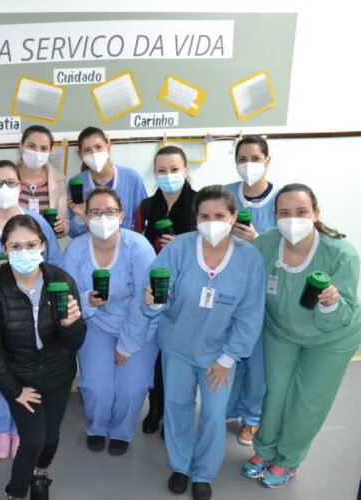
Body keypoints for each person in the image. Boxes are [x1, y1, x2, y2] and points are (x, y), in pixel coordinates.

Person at [141, 185, 266, 500]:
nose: (212, 222)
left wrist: (228, 359)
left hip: (219, 353)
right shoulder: (179, 249)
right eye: (204, 216)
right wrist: (152, 303)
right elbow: (154, 293)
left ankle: (203, 473)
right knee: (177, 406)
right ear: (195, 218)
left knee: (212, 414)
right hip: (178, 346)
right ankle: (181, 466)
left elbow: (251, 314)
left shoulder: (249, 259)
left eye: (219, 216)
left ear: (233, 217)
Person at [241, 184, 360, 489]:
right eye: (284, 213)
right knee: (276, 391)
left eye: (301, 212)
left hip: (332, 337)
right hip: (282, 330)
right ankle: (265, 450)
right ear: (274, 216)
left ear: (315, 214)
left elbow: (343, 314)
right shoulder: (266, 244)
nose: (292, 219)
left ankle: (288, 459)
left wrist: (330, 303)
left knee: (307, 400)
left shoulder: (341, 253)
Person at [0, 215, 86, 500]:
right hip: (20, 377)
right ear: (5, 248)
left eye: (31, 245)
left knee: (51, 437)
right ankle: (15, 491)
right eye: (15, 246)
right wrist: (15, 390)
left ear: (43, 245)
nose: (24, 252)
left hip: (58, 373)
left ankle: (40, 473)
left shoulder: (61, 281)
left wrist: (71, 325)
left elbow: (75, 342)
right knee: (34, 438)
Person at [0, 161, 63, 459]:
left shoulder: (38, 223)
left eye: (10, 182)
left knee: (28, 366)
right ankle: (1, 428)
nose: (4, 188)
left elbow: (55, 266)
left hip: (32, 310)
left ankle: (23, 427)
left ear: (20, 185)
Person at [63, 187, 158, 455]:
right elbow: (69, 296)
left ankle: (121, 431)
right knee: (96, 385)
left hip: (140, 326)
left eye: (109, 211)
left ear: (121, 216)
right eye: (95, 212)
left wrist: (127, 344)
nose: (102, 217)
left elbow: (144, 299)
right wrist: (87, 302)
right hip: (96, 325)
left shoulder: (138, 247)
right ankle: (97, 427)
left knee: (132, 386)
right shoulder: (75, 249)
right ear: (85, 217)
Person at [133, 145, 198, 435]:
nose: (168, 175)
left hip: (188, 290)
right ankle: (155, 406)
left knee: (179, 356)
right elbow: (137, 243)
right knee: (156, 354)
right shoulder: (147, 206)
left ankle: (175, 413)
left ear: (186, 171)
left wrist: (182, 246)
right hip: (154, 289)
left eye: (174, 169)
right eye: (161, 170)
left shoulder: (199, 204)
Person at [225, 135, 280, 446]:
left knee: (257, 360)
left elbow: (288, 247)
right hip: (229, 286)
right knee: (228, 351)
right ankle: (229, 407)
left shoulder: (280, 200)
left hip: (263, 289)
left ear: (267, 161)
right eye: (242, 159)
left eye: (255, 158)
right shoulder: (226, 194)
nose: (249, 165)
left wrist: (258, 241)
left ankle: (252, 417)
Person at [68, 126, 147, 236]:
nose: (94, 153)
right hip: (91, 244)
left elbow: (144, 218)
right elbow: (73, 232)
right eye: (87, 150)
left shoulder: (132, 178)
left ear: (108, 147)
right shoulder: (77, 184)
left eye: (98, 147)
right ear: (80, 155)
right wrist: (81, 216)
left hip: (127, 243)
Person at [15, 125, 68, 236]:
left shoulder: (59, 180)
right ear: (21, 146)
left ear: (50, 151)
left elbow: (65, 222)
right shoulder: (7, 178)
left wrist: (62, 226)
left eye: (43, 148)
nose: (37, 152)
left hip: (46, 244)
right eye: (31, 146)